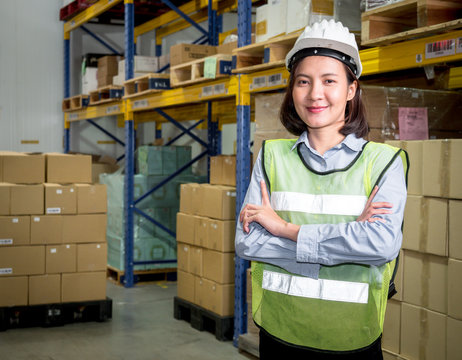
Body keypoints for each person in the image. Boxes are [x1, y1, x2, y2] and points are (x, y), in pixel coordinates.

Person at [235, 19, 409, 359]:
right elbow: (248, 242)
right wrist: (348, 239)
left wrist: (285, 230)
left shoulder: (384, 162)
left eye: (329, 80)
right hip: (280, 333)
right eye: (303, 81)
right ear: (292, 90)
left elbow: (380, 246)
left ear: (350, 89)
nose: (315, 94)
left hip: (351, 338)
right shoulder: (271, 157)